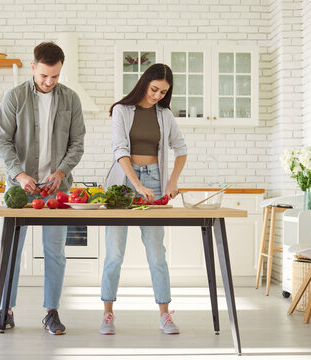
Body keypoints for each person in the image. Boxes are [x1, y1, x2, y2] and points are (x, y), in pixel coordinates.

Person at [0, 41, 85, 335]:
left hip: (56, 188)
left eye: (55, 76)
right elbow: (3, 141)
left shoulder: (70, 100)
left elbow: (77, 144)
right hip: (20, 189)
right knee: (12, 250)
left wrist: (61, 172)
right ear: (33, 67)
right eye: (44, 75)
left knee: (55, 251)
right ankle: (5, 311)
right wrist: (19, 174)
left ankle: (51, 312)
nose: (49, 82)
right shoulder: (14, 97)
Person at [100, 63, 187, 335]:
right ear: (144, 83)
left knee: (156, 253)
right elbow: (119, 149)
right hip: (124, 183)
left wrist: (171, 181)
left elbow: (181, 148)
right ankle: (108, 314)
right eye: (154, 89)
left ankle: (165, 314)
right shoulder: (121, 111)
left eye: (163, 92)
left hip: (154, 181)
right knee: (114, 252)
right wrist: (136, 185)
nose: (158, 95)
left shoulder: (165, 115)